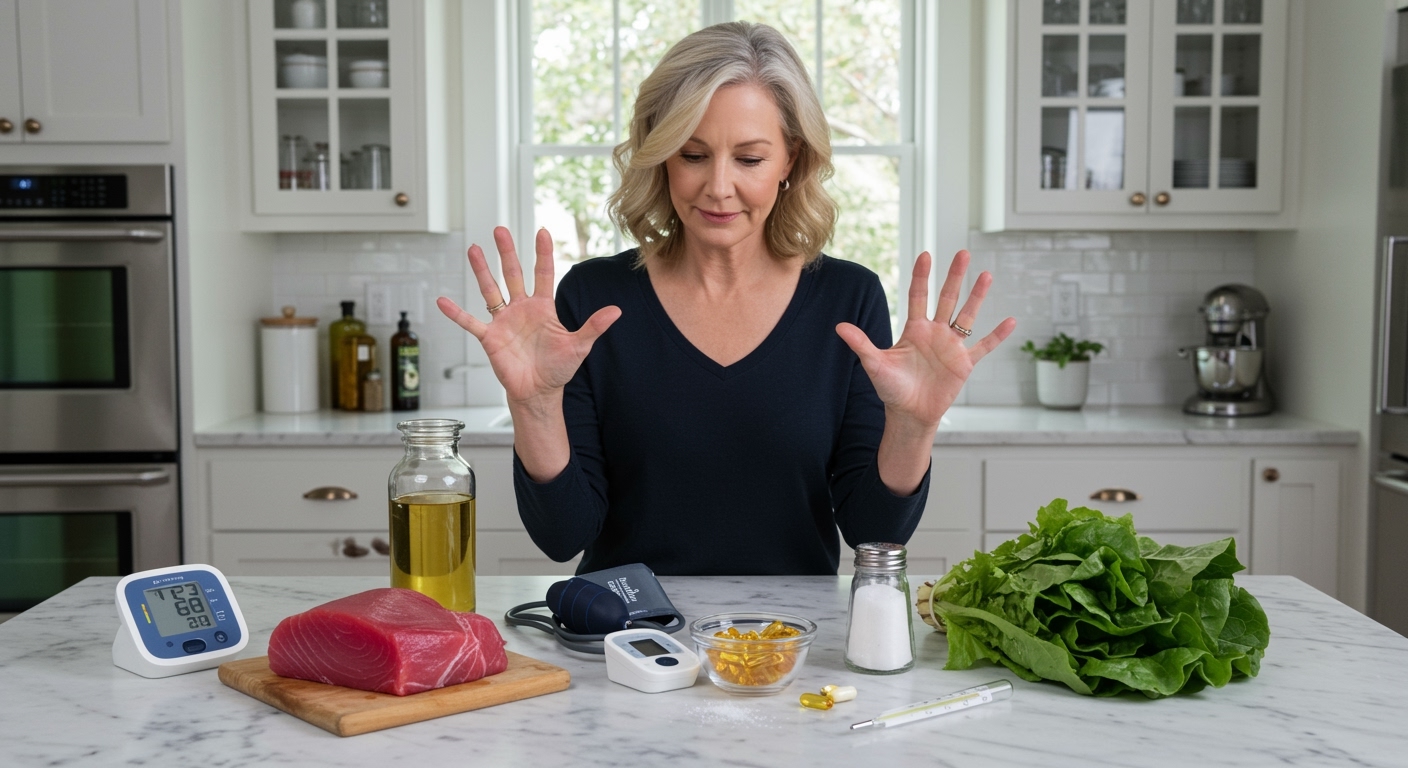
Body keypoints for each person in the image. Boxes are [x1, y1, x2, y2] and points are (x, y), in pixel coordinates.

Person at [438, 22, 1015, 576]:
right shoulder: (594, 298)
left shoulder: (848, 299)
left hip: (793, 643)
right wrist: (535, 407)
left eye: (749, 158)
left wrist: (915, 425)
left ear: (791, 159)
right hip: (630, 642)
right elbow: (563, 537)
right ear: (661, 156)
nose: (718, 187)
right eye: (692, 155)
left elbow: (872, 533)